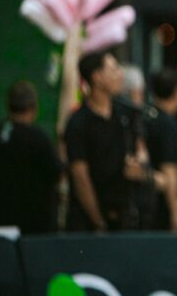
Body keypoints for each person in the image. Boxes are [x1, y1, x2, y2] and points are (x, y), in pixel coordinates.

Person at [65, 51, 158, 231]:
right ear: (97, 77)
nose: (120, 74)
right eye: (114, 69)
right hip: (91, 220)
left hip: (126, 214)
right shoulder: (79, 123)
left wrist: (139, 163)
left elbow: (141, 150)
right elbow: (80, 176)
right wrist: (98, 222)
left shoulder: (126, 113)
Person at [0, 81, 61, 233]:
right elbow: (56, 173)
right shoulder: (39, 139)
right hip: (35, 228)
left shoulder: (1, 132)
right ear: (34, 108)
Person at [145, 68, 177, 231]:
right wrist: (175, 210)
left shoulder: (146, 116)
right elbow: (169, 168)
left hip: (143, 197)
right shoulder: (167, 124)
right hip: (159, 201)